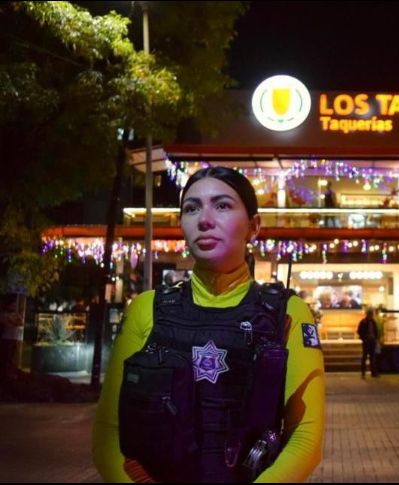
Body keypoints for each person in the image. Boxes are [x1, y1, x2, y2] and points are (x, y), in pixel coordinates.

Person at [93, 167, 325, 483]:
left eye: (223, 205)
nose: (204, 219)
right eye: (191, 208)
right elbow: (109, 433)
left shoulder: (288, 312)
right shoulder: (147, 309)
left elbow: (305, 437)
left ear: (253, 227)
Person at [357, 308, 379, 379]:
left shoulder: (373, 322)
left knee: (372, 357)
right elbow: (359, 331)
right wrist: (363, 338)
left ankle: (373, 373)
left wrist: (376, 338)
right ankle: (363, 373)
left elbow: (376, 331)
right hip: (366, 341)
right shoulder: (364, 322)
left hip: (372, 341)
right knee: (365, 357)